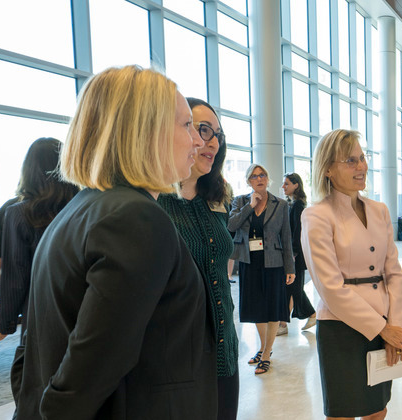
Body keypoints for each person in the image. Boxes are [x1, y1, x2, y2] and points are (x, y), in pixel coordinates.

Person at [15, 65, 216, 419]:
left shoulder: (81, 210)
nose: (198, 141)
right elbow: (90, 369)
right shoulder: (135, 219)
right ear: (145, 131)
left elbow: (33, 352)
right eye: (186, 125)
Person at [301, 129, 402, 420]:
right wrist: (381, 327)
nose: (361, 166)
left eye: (362, 158)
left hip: (385, 325)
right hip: (341, 329)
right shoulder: (317, 216)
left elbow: (394, 273)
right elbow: (330, 288)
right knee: (342, 413)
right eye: (350, 160)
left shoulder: (379, 210)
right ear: (328, 170)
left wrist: (395, 327)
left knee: (377, 410)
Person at [158, 98, 239, 419]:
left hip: (224, 349)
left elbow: (221, 264)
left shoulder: (219, 196)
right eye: (203, 130)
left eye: (217, 134)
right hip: (176, 359)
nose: (213, 142)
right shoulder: (152, 201)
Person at [0, 138, 78, 348]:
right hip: (82, 306)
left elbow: (16, 276)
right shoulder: (83, 208)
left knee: (35, 372)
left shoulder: (18, 213)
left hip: (39, 311)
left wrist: (3, 326)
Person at [228, 163, 295, 375]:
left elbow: (286, 237)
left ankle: (266, 354)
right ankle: (264, 348)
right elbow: (231, 226)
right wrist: (250, 206)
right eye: (255, 176)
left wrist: (289, 268)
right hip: (249, 262)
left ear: (267, 179)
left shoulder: (281, 204)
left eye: (263, 175)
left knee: (273, 307)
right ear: (249, 181)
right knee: (256, 306)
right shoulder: (240, 201)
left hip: (274, 262)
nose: (259, 179)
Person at [278, 172, 316, 336]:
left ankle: (285, 323)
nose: (283, 187)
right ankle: (284, 323)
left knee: (293, 288)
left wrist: (292, 253)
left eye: (286, 183)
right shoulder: (293, 204)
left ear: (296, 185)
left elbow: (297, 233)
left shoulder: (298, 207)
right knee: (292, 288)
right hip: (294, 254)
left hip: (295, 255)